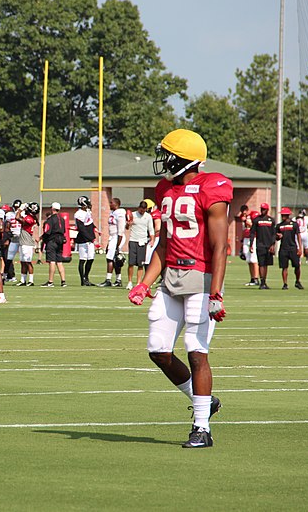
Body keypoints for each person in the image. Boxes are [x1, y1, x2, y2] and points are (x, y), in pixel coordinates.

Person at [128, 129, 231, 448]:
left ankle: (203, 428)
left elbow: (220, 246)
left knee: (196, 349)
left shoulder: (211, 187)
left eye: (168, 155)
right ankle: (204, 399)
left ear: (185, 159)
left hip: (201, 278)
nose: (163, 160)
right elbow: (163, 244)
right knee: (158, 350)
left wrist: (216, 292)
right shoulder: (165, 190)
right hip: (171, 276)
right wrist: (145, 283)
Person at [98, 198, 127, 287]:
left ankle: (108, 280)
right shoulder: (113, 213)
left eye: (111, 203)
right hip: (113, 237)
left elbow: (121, 230)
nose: (110, 204)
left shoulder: (120, 213)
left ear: (117, 204)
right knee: (114, 258)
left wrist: (117, 246)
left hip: (118, 237)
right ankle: (118, 280)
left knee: (110, 258)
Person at [126, 200, 153, 291]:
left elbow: (151, 229)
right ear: (139, 208)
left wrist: (152, 240)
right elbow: (127, 227)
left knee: (141, 264)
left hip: (143, 241)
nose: (142, 211)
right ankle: (129, 282)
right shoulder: (133, 215)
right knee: (131, 263)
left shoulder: (148, 216)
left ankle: (138, 282)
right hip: (133, 240)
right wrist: (128, 224)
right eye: (141, 209)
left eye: (144, 210)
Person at [274, 207, 303, 290]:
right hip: (283, 248)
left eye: (284, 215)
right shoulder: (279, 225)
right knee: (284, 267)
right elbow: (276, 238)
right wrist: (278, 236)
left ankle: (297, 281)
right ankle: (285, 283)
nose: (283, 216)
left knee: (297, 266)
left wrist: (300, 248)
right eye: (282, 215)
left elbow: (298, 236)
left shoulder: (294, 224)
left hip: (293, 248)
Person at [249, 203, 275, 290]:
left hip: (268, 245)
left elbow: (273, 233)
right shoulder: (256, 220)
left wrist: (272, 244)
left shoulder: (271, 220)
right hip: (260, 245)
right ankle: (262, 282)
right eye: (261, 209)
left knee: (266, 264)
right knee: (261, 263)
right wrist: (251, 244)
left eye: (264, 209)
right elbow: (252, 232)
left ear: (267, 210)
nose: (262, 210)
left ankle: (264, 282)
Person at [41, 202, 67, 287]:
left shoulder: (50, 219)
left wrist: (42, 238)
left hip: (52, 241)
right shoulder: (62, 219)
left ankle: (50, 281)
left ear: (52, 209)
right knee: (59, 261)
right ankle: (63, 281)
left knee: (52, 261)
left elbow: (47, 231)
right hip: (60, 241)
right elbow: (64, 231)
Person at [73, 196, 98, 286]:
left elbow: (90, 223)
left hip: (89, 239)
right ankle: (82, 280)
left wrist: (95, 229)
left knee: (91, 259)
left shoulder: (87, 212)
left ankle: (86, 277)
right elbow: (81, 229)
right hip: (83, 239)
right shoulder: (79, 214)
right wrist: (90, 238)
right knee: (82, 259)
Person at [15, 201, 39, 286]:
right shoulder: (31, 217)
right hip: (23, 242)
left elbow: (17, 218)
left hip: (27, 242)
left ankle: (31, 281)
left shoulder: (29, 219)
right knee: (23, 261)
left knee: (28, 262)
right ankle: (23, 280)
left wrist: (20, 209)